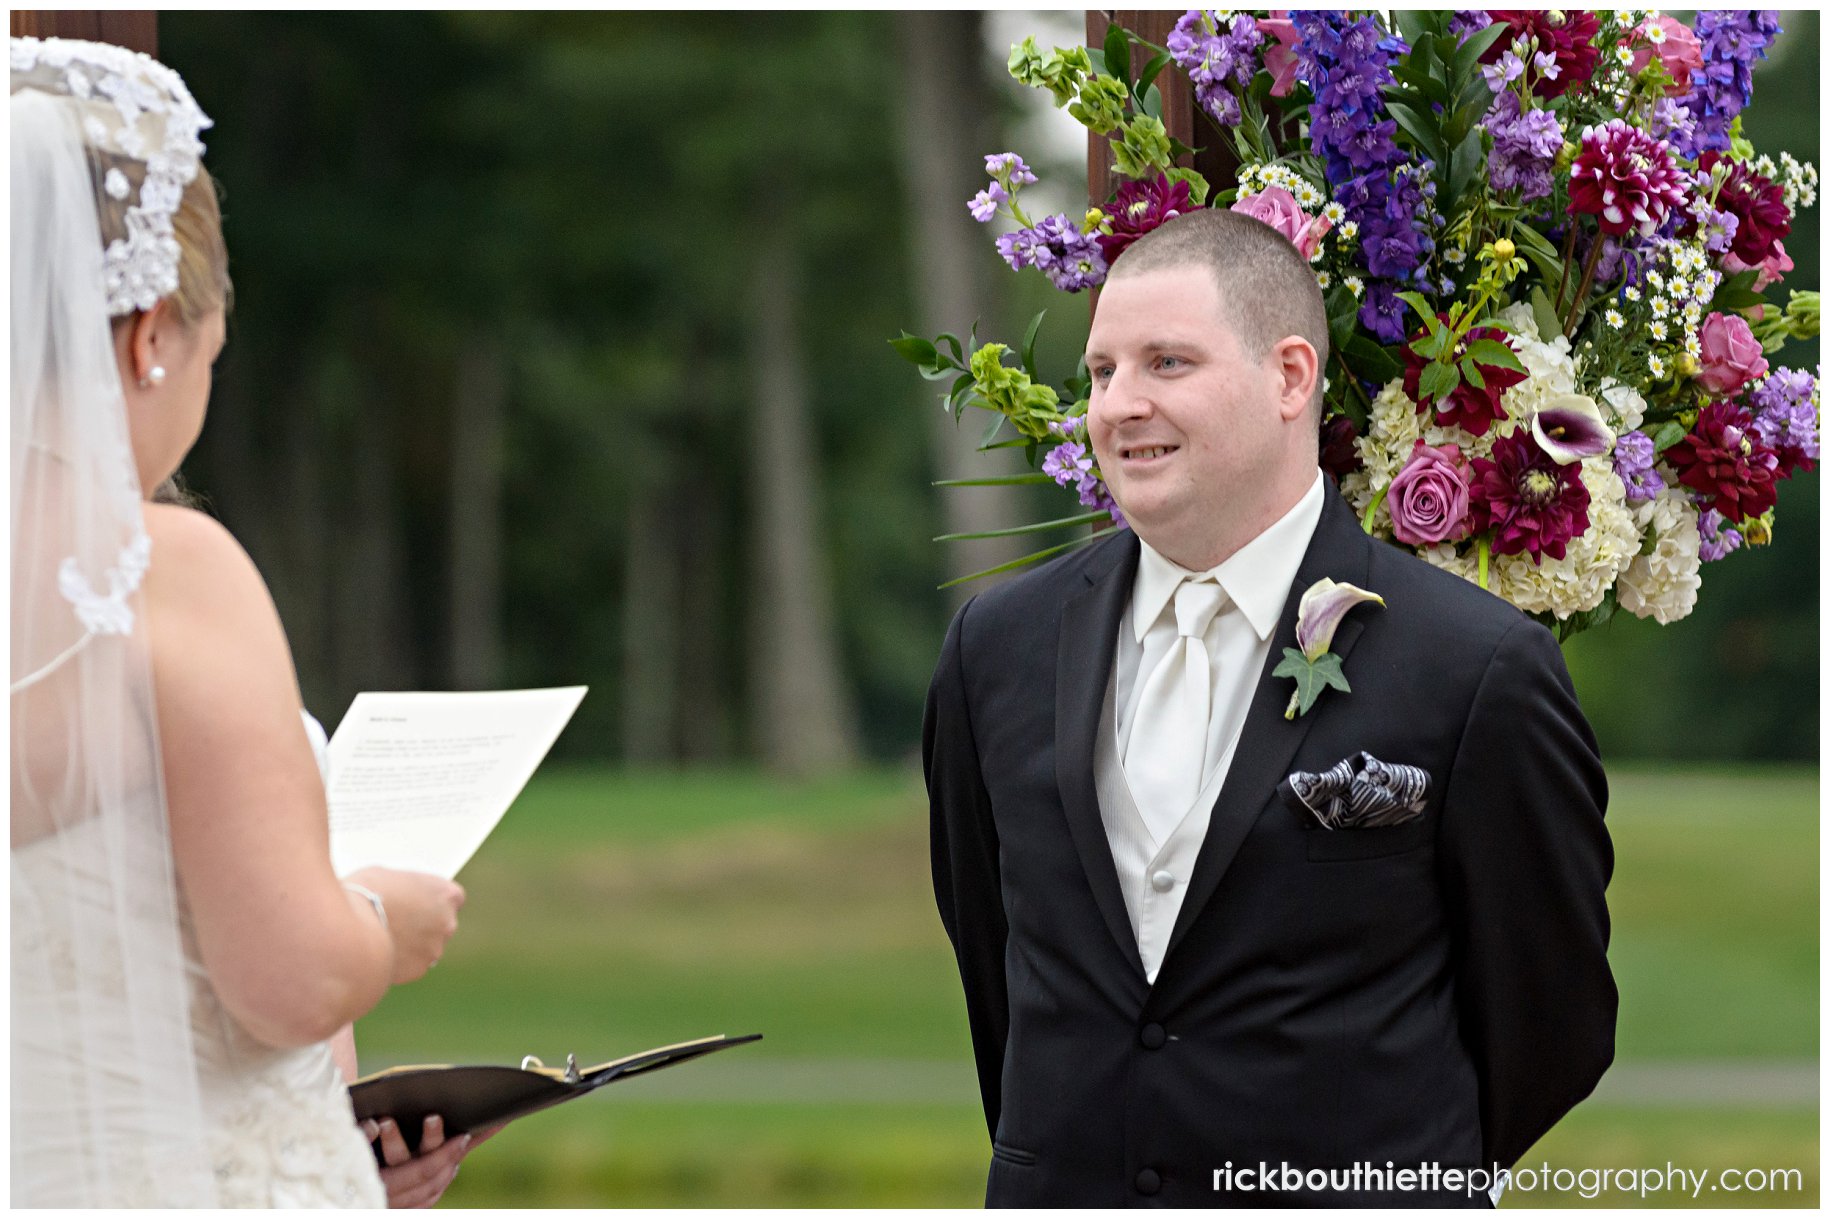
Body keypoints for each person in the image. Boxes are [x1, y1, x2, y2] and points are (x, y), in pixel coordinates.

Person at [924, 208, 1616, 1207]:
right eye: (1101, 371)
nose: (1119, 404)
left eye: (1166, 363)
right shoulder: (997, 648)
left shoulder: (1474, 668)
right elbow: (994, 969)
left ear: (1291, 376)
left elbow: (1553, 1023)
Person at [11, 37, 468, 1206]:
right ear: (152, 334)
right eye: (210, 354)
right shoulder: (155, 569)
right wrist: (382, 917)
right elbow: (288, 977)